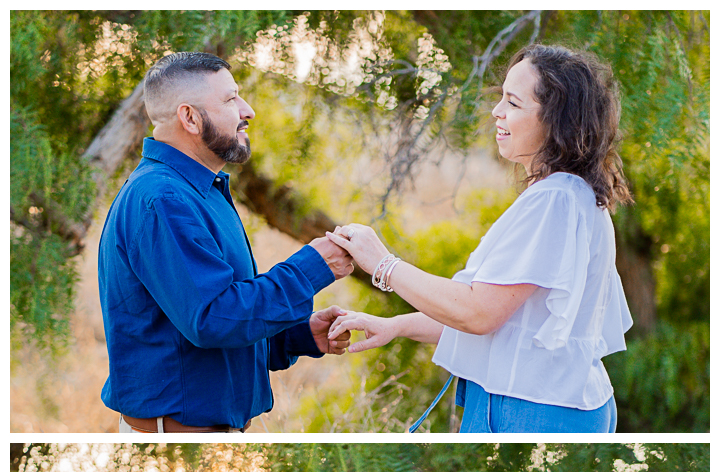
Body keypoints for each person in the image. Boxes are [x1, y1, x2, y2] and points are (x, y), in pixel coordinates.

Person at [326, 44, 634, 434]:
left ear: (556, 118)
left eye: (514, 102)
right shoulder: (575, 196)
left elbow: (479, 313)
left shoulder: (556, 199)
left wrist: (383, 264)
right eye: (501, 97)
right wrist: (397, 326)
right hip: (556, 404)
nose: (497, 111)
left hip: (531, 411)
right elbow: (507, 320)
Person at [98, 51, 354, 434]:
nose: (247, 110)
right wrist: (313, 268)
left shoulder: (200, 190)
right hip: (181, 440)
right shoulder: (163, 199)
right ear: (190, 117)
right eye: (230, 99)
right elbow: (212, 319)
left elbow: (215, 318)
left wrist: (295, 335)